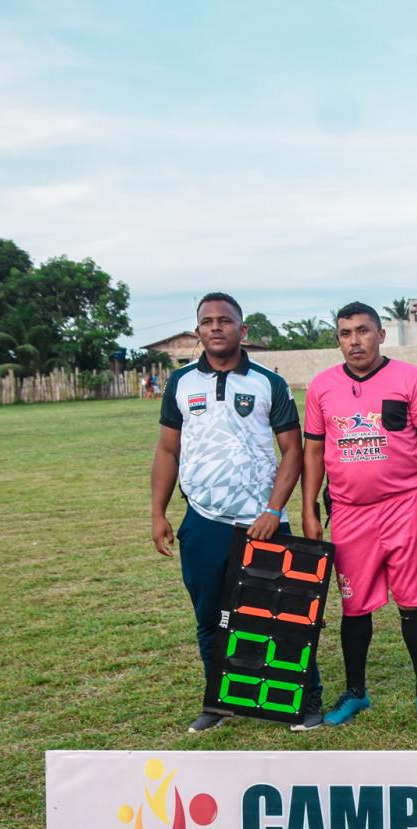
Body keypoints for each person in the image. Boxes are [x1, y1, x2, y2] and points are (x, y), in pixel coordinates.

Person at [150, 292, 321, 733]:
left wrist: (273, 509)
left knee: (281, 617)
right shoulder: (181, 383)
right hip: (204, 520)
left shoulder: (268, 382)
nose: (215, 327)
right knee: (210, 617)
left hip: (262, 522)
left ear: (242, 331)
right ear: (198, 330)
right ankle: (218, 701)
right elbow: (168, 449)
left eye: (224, 320)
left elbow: (292, 451)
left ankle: (305, 703)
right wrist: (158, 512)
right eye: (206, 321)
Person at [300, 301, 417, 730]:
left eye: (363, 331)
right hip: (348, 512)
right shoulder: (322, 387)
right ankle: (356, 691)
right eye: (346, 333)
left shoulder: (410, 379)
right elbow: (313, 451)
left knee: (413, 603)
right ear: (338, 339)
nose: (354, 341)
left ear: (381, 335)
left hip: (405, 506)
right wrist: (310, 508)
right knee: (354, 607)